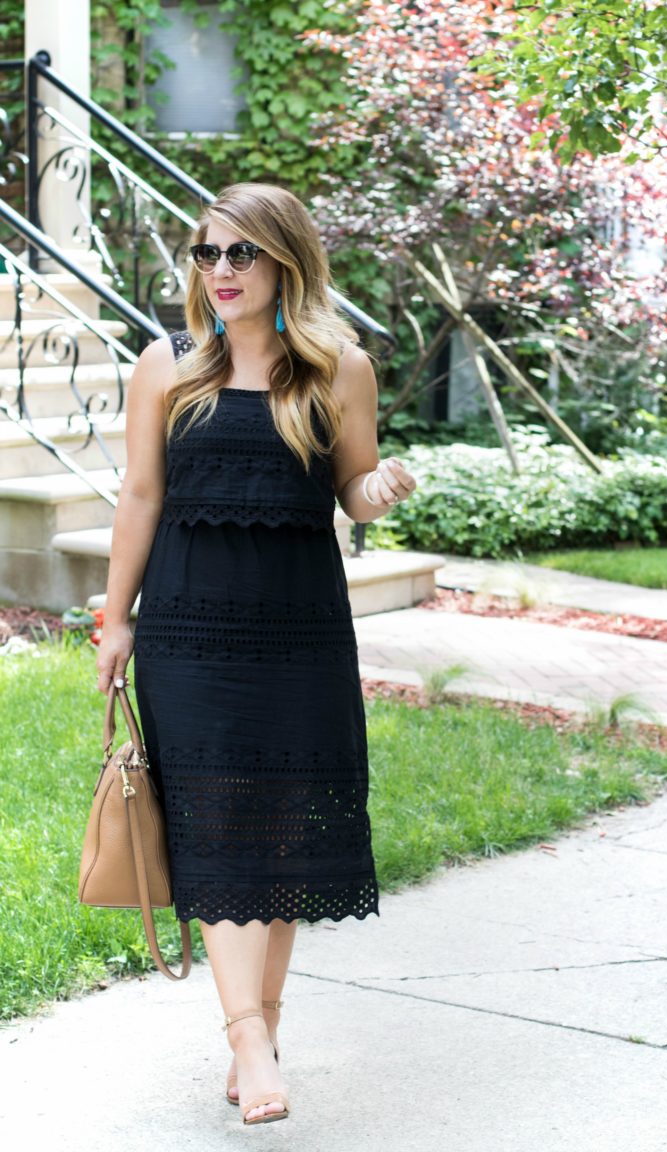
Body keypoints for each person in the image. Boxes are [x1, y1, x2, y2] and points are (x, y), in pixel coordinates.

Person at [95, 182, 417, 1126]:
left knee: (278, 826)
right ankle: (246, 1036)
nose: (222, 272)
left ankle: (260, 1031)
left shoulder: (337, 369)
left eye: (241, 254)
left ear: (286, 261)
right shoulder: (168, 365)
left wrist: (379, 486)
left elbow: (351, 490)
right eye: (207, 254)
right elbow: (140, 498)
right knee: (221, 823)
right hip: (190, 630)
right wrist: (117, 620)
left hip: (300, 631)